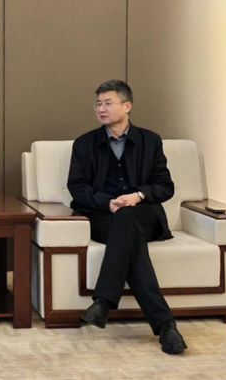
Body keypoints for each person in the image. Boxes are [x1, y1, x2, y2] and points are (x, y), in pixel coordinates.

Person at [67, 79, 187, 354]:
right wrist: (107, 202)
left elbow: (165, 186)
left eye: (108, 103)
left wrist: (138, 196)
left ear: (127, 106)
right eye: (98, 104)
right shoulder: (84, 144)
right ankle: (166, 326)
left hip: (145, 215)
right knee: (125, 228)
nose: (101, 109)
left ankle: (104, 300)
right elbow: (77, 188)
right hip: (104, 217)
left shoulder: (150, 141)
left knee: (127, 218)